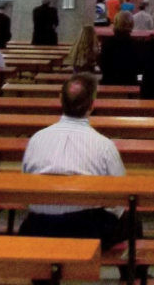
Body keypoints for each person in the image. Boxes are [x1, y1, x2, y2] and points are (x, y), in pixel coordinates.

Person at [19, 73, 136, 254]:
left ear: (60, 100)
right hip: (86, 230)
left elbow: (25, 183)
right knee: (133, 220)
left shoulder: (36, 139)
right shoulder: (103, 145)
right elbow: (121, 194)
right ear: (92, 105)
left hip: (39, 227)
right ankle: (131, 276)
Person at [99, 11, 139, 85]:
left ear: (115, 23)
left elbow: (103, 65)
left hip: (109, 82)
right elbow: (138, 68)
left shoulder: (107, 42)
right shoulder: (136, 44)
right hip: (130, 83)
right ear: (132, 24)